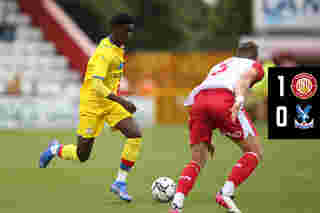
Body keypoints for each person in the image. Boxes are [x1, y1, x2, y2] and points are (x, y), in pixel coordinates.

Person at [39, 13, 142, 202]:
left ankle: (120, 182)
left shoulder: (119, 45)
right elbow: (96, 85)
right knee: (82, 154)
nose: (129, 34)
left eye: (130, 31)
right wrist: (123, 101)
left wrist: (117, 101)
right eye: (127, 30)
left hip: (110, 103)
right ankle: (55, 150)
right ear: (116, 29)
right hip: (92, 104)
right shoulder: (104, 53)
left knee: (135, 134)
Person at [169, 41, 265, 213]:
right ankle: (226, 193)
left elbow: (207, 92)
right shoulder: (254, 65)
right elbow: (243, 79)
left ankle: (177, 204)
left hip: (198, 102)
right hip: (225, 100)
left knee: (197, 159)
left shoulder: (221, 64)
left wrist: (205, 130)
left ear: (237, 53)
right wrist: (239, 100)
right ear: (255, 57)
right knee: (254, 152)